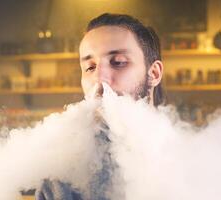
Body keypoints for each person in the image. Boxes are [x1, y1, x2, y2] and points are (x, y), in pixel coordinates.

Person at [35, 13, 164, 200]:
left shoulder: (195, 157)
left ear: (154, 73)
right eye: (90, 67)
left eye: (118, 62)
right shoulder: (61, 175)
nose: (99, 79)